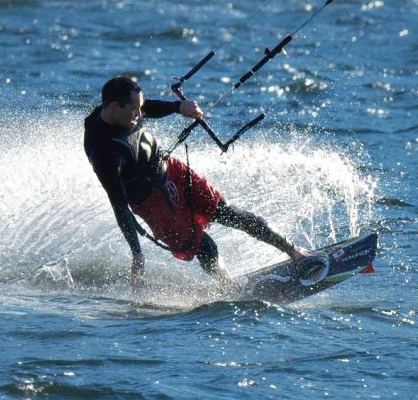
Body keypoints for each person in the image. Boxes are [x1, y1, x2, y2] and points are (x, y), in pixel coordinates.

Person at [83, 74, 306, 292]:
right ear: (114, 106)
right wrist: (137, 253)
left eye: (139, 107)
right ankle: (230, 289)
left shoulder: (124, 111)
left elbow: (147, 107)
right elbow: (120, 207)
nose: (139, 114)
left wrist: (178, 108)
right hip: (152, 203)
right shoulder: (104, 152)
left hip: (171, 171)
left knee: (227, 211)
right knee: (206, 247)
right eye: (134, 110)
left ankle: (294, 251)